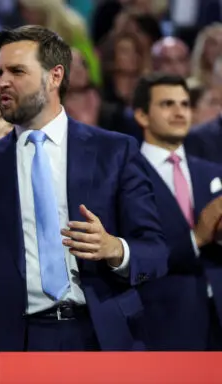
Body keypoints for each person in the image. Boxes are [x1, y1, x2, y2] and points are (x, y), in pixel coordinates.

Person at [0, 25, 168, 352]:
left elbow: (155, 251)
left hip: (102, 336)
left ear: (54, 76)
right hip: (16, 341)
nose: (2, 81)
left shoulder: (115, 152)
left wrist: (116, 249)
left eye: (17, 71)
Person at [133, 73, 222, 350]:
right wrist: (195, 239)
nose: (179, 112)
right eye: (167, 104)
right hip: (162, 323)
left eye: (184, 105)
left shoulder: (212, 172)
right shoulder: (127, 175)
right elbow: (132, 255)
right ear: (142, 116)